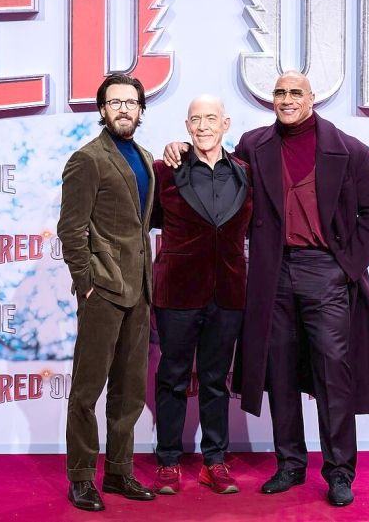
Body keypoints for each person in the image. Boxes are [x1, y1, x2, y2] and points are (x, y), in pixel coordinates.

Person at [164, 71, 369, 507]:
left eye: (295, 93)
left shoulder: (352, 151)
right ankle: (290, 464)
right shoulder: (254, 145)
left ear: (311, 99)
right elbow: (217, 169)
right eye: (280, 93)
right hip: (273, 276)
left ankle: (339, 471)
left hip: (326, 273)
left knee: (333, 375)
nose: (286, 100)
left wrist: (345, 266)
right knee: (281, 372)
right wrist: (180, 148)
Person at [57, 73, 157, 512]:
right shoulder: (88, 159)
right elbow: (71, 229)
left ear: (140, 110)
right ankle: (81, 476)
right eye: (114, 102)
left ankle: (118, 471)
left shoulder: (146, 158)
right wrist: (87, 285)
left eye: (130, 103)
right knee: (86, 391)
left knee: (130, 391)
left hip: (140, 292)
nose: (123, 109)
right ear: (102, 110)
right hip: (103, 291)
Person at [149, 95, 252, 495]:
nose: (204, 125)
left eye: (211, 118)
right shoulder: (166, 170)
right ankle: (168, 462)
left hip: (227, 292)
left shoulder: (245, 173)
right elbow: (149, 222)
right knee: (172, 377)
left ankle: (215, 461)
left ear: (225, 124)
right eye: (196, 119)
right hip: (177, 292)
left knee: (214, 381)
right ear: (187, 126)